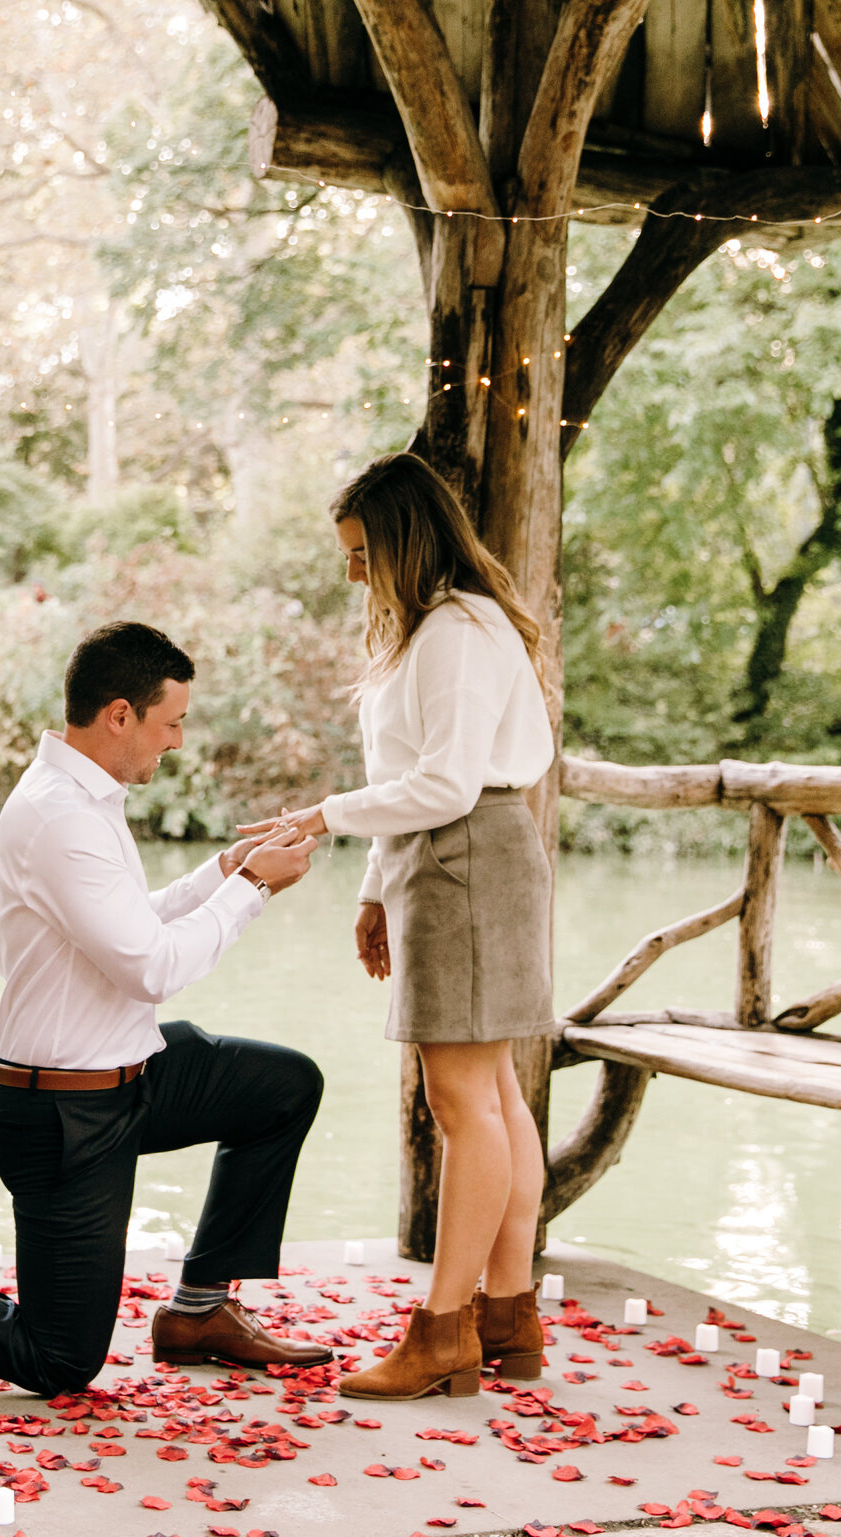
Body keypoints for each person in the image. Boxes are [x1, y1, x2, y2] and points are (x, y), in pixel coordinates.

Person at [251, 452, 557, 1401]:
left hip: (467, 855)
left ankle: (443, 1332)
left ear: (403, 543)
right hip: (450, 858)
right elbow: (416, 775)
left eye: (358, 554)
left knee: (464, 1102)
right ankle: (506, 1313)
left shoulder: (460, 632)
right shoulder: (434, 630)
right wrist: (378, 889)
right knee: (495, 1093)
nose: (351, 575)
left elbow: (447, 785)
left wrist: (321, 817)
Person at [0, 621, 332, 1396]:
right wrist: (255, 886)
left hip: (133, 1075)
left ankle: (201, 1309)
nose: (176, 743)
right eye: (171, 724)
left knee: (282, 1085)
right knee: (59, 1360)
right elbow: (152, 966)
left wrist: (223, 870)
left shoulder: (88, 798)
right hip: (64, 1116)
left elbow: (135, 920)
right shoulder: (61, 816)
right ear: (121, 714)